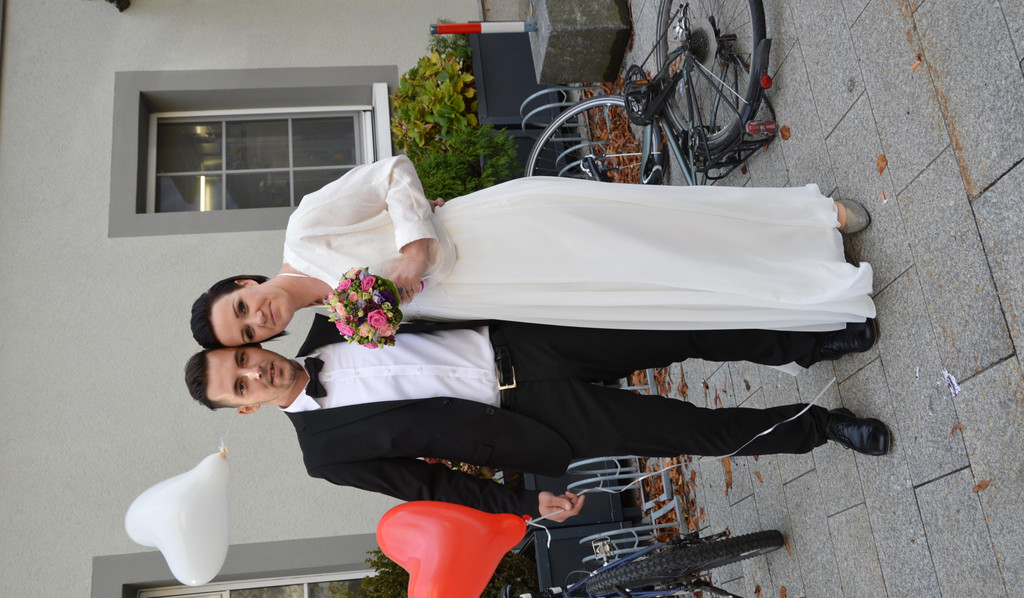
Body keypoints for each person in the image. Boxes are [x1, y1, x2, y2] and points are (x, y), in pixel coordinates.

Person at [184, 314, 888, 520]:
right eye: (240, 384)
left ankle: (810, 343)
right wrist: (522, 505)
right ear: (244, 407)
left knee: (681, 331)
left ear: (254, 344)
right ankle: (822, 427)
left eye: (244, 356)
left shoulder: (333, 314)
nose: (256, 371)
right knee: (691, 431)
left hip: (527, 341)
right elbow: (429, 486)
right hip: (536, 418)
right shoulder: (325, 455)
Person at [190, 155, 876, 349]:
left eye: (243, 308)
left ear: (246, 282)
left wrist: (413, 250)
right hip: (509, 290)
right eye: (249, 333)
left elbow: (392, 173)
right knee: (650, 283)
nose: (260, 318)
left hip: (496, 232)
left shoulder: (306, 230)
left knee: (651, 234)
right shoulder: (337, 325)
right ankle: (808, 277)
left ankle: (810, 220)